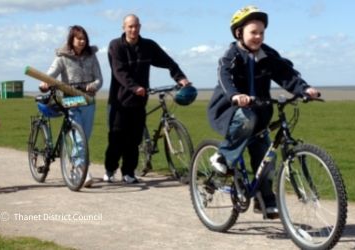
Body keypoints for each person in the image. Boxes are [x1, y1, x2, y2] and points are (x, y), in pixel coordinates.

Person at [207, 6, 320, 219]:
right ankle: (222, 156)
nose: (258, 37)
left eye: (261, 32)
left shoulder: (267, 55)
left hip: (259, 115)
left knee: (267, 158)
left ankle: (266, 200)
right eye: (253, 32)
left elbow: (287, 74)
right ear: (239, 33)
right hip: (230, 111)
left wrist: (304, 89)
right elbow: (224, 76)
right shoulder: (231, 55)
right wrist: (235, 95)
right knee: (246, 117)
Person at [105, 14, 190, 184]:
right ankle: (110, 169)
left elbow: (168, 62)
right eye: (130, 26)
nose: (133, 30)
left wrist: (181, 78)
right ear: (124, 27)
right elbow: (119, 72)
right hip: (119, 101)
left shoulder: (148, 46)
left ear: (140, 27)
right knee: (117, 138)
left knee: (134, 139)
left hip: (139, 101)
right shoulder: (116, 46)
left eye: (136, 26)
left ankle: (128, 172)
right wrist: (134, 87)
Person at [39, 25, 103, 187]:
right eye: (79, 38)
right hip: (69, 100)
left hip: (88, 100)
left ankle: (77, 165)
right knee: (79, 138)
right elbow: (51, 74)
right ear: (71, 40)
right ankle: (82, 169)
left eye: (84, 39)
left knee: (84, 137)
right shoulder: (62, 57)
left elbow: (99, 79)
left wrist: (93, 86)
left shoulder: (91, 56)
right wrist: (45, 82)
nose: (82, 42)